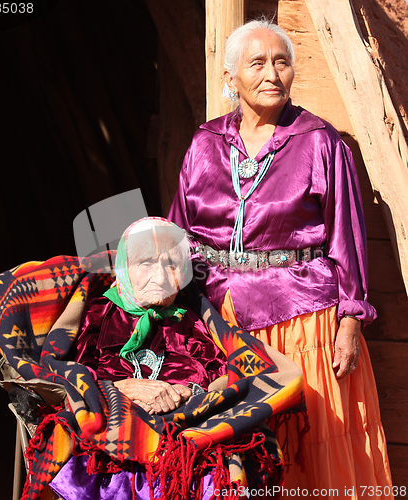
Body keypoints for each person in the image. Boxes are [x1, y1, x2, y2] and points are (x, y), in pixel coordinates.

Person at [168, 18, 393, 499]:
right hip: (221, 324)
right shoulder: (204, 144)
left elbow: (346, 236)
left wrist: (351, 319)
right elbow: (179, 231)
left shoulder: (319, 142)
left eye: (282, 62)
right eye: (257, 63)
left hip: (302, 323)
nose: (272, 73)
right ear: (230, 78)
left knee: (310, 446)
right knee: (234, 455)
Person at [49, 217, 228, 499]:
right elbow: (77, 376)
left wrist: (185, 392)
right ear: (124, 267)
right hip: (112, 434)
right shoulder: (98, 315)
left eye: (171, 265)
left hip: (179, 436)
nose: (160, 277)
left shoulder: (190, 322)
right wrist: (126, 389)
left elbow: (216, 375)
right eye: (146, 263)